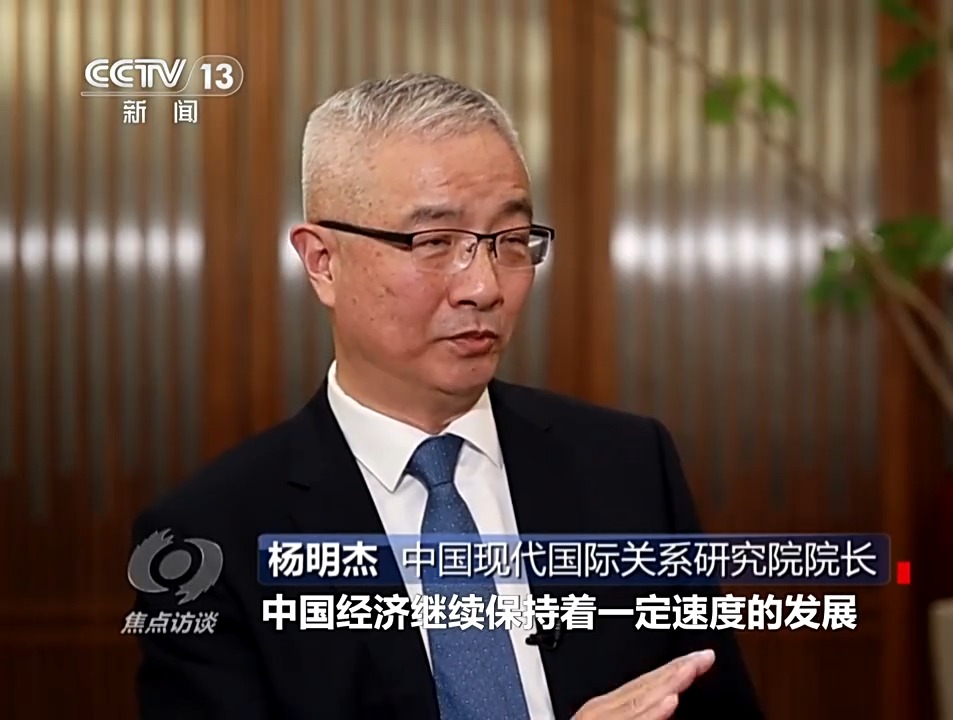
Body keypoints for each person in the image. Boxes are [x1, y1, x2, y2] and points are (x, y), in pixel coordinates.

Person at [131, 73, 763, 720]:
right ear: (323, 261)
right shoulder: (210, 537)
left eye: (510, 241)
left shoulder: (629, 466)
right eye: (434, 243)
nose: (484, 287)